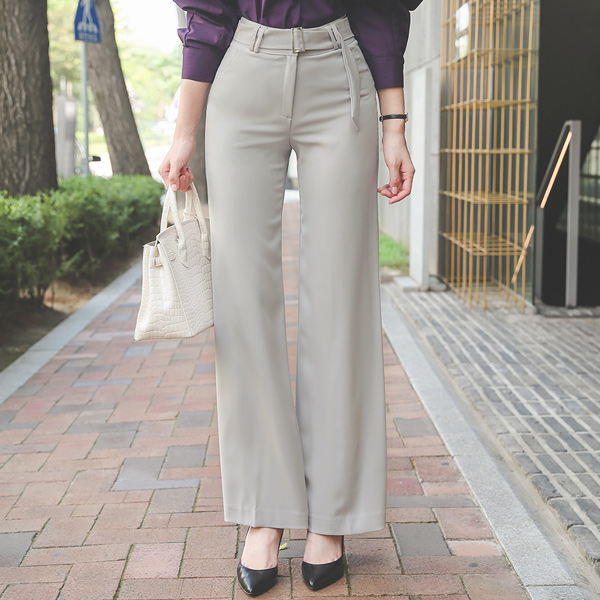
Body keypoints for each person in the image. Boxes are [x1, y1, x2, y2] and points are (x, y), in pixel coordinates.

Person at [159, 0, 421, 595]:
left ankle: (332, 512)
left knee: (342, 300)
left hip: (341, 71)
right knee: (242, 302)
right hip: (243, 71)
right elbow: (206, 15)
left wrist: (394, 124)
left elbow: (381, 11)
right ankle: (263, 511)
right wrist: (185, 131)